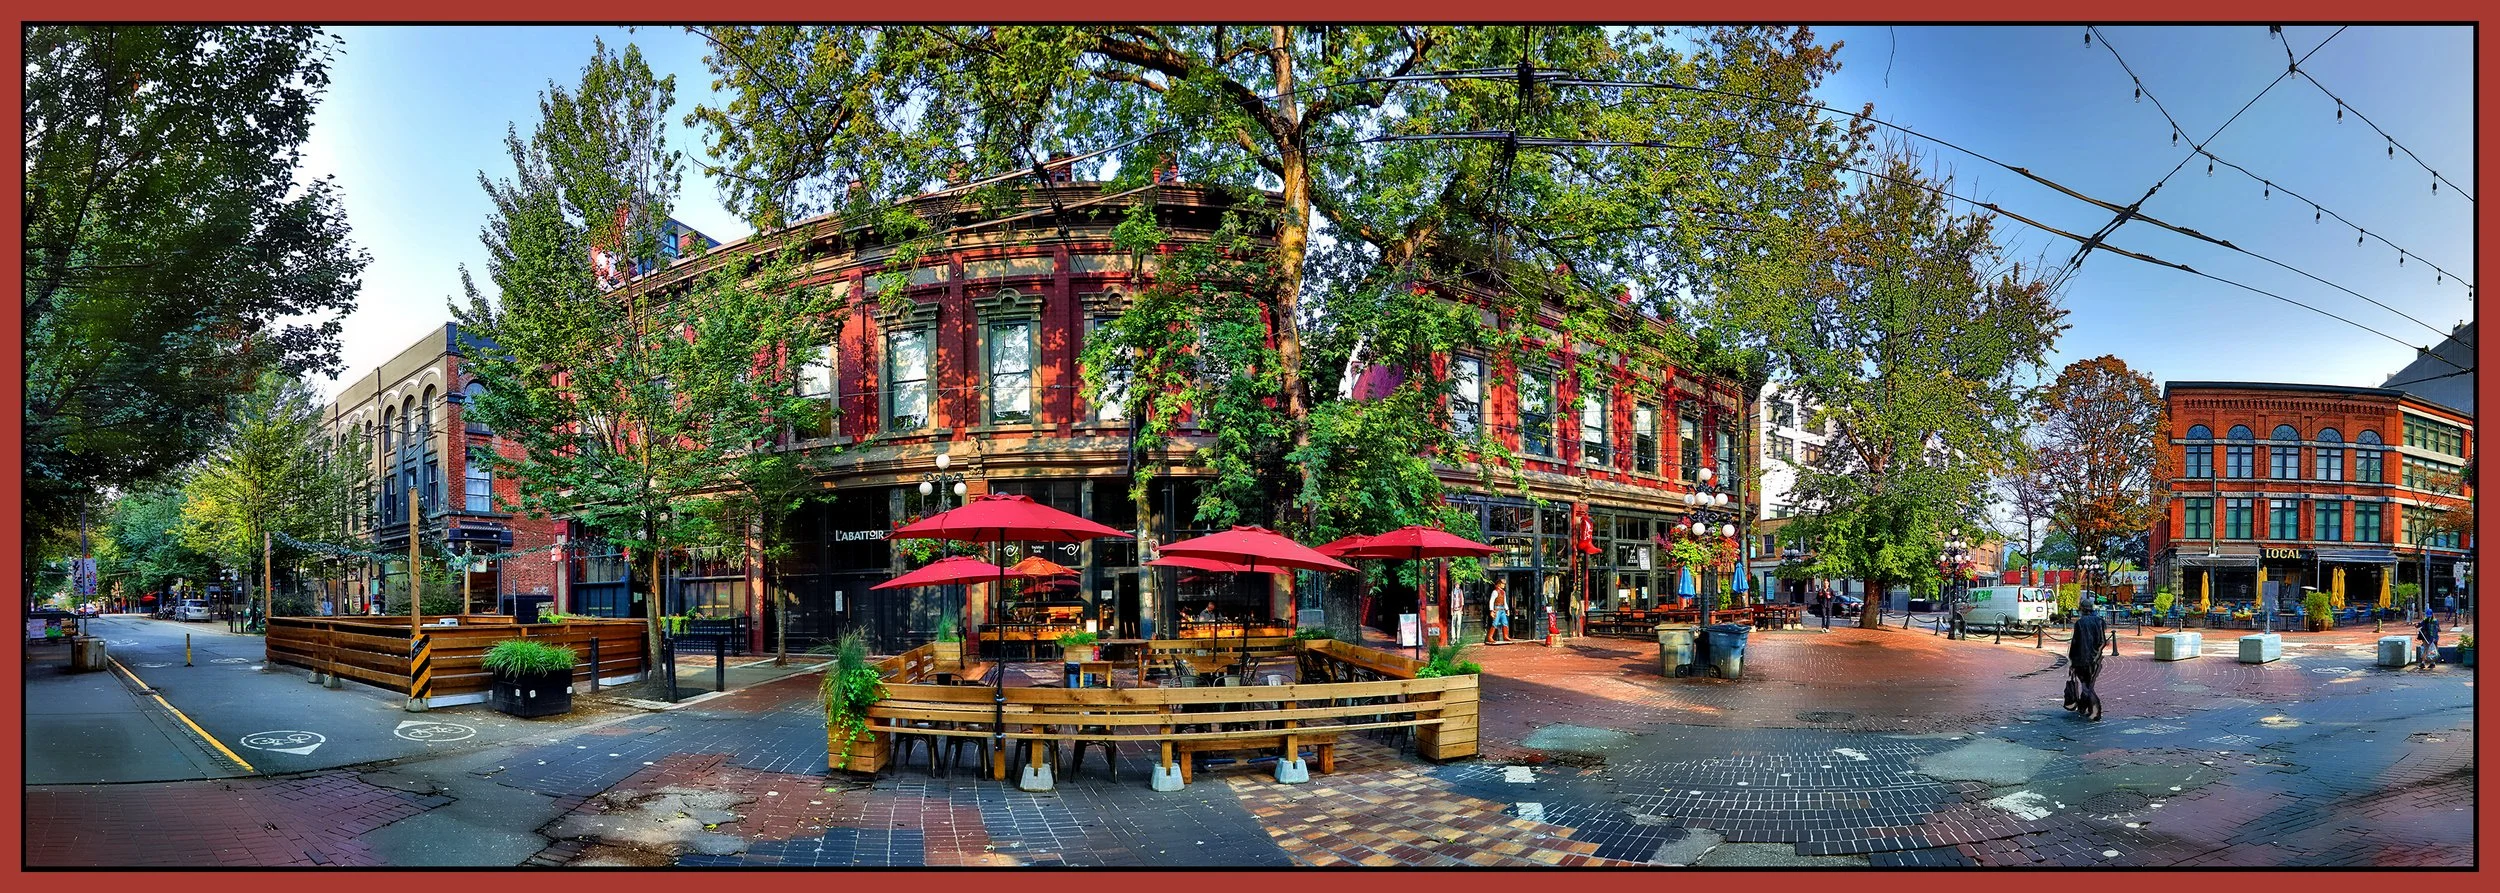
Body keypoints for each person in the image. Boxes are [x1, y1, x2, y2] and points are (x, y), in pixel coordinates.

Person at [2066, 596, 2110, 720]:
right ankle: (2083, 707)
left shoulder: (2080, 623)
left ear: (2082, 610)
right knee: (2089, 683)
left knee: (2086, 686)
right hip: (2095, 659)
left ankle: (2095, 710)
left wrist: (2072, 661)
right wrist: (2096, 655)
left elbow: (2075, 643)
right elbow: (2102, 641)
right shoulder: (2099, 621)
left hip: (2081, 659)